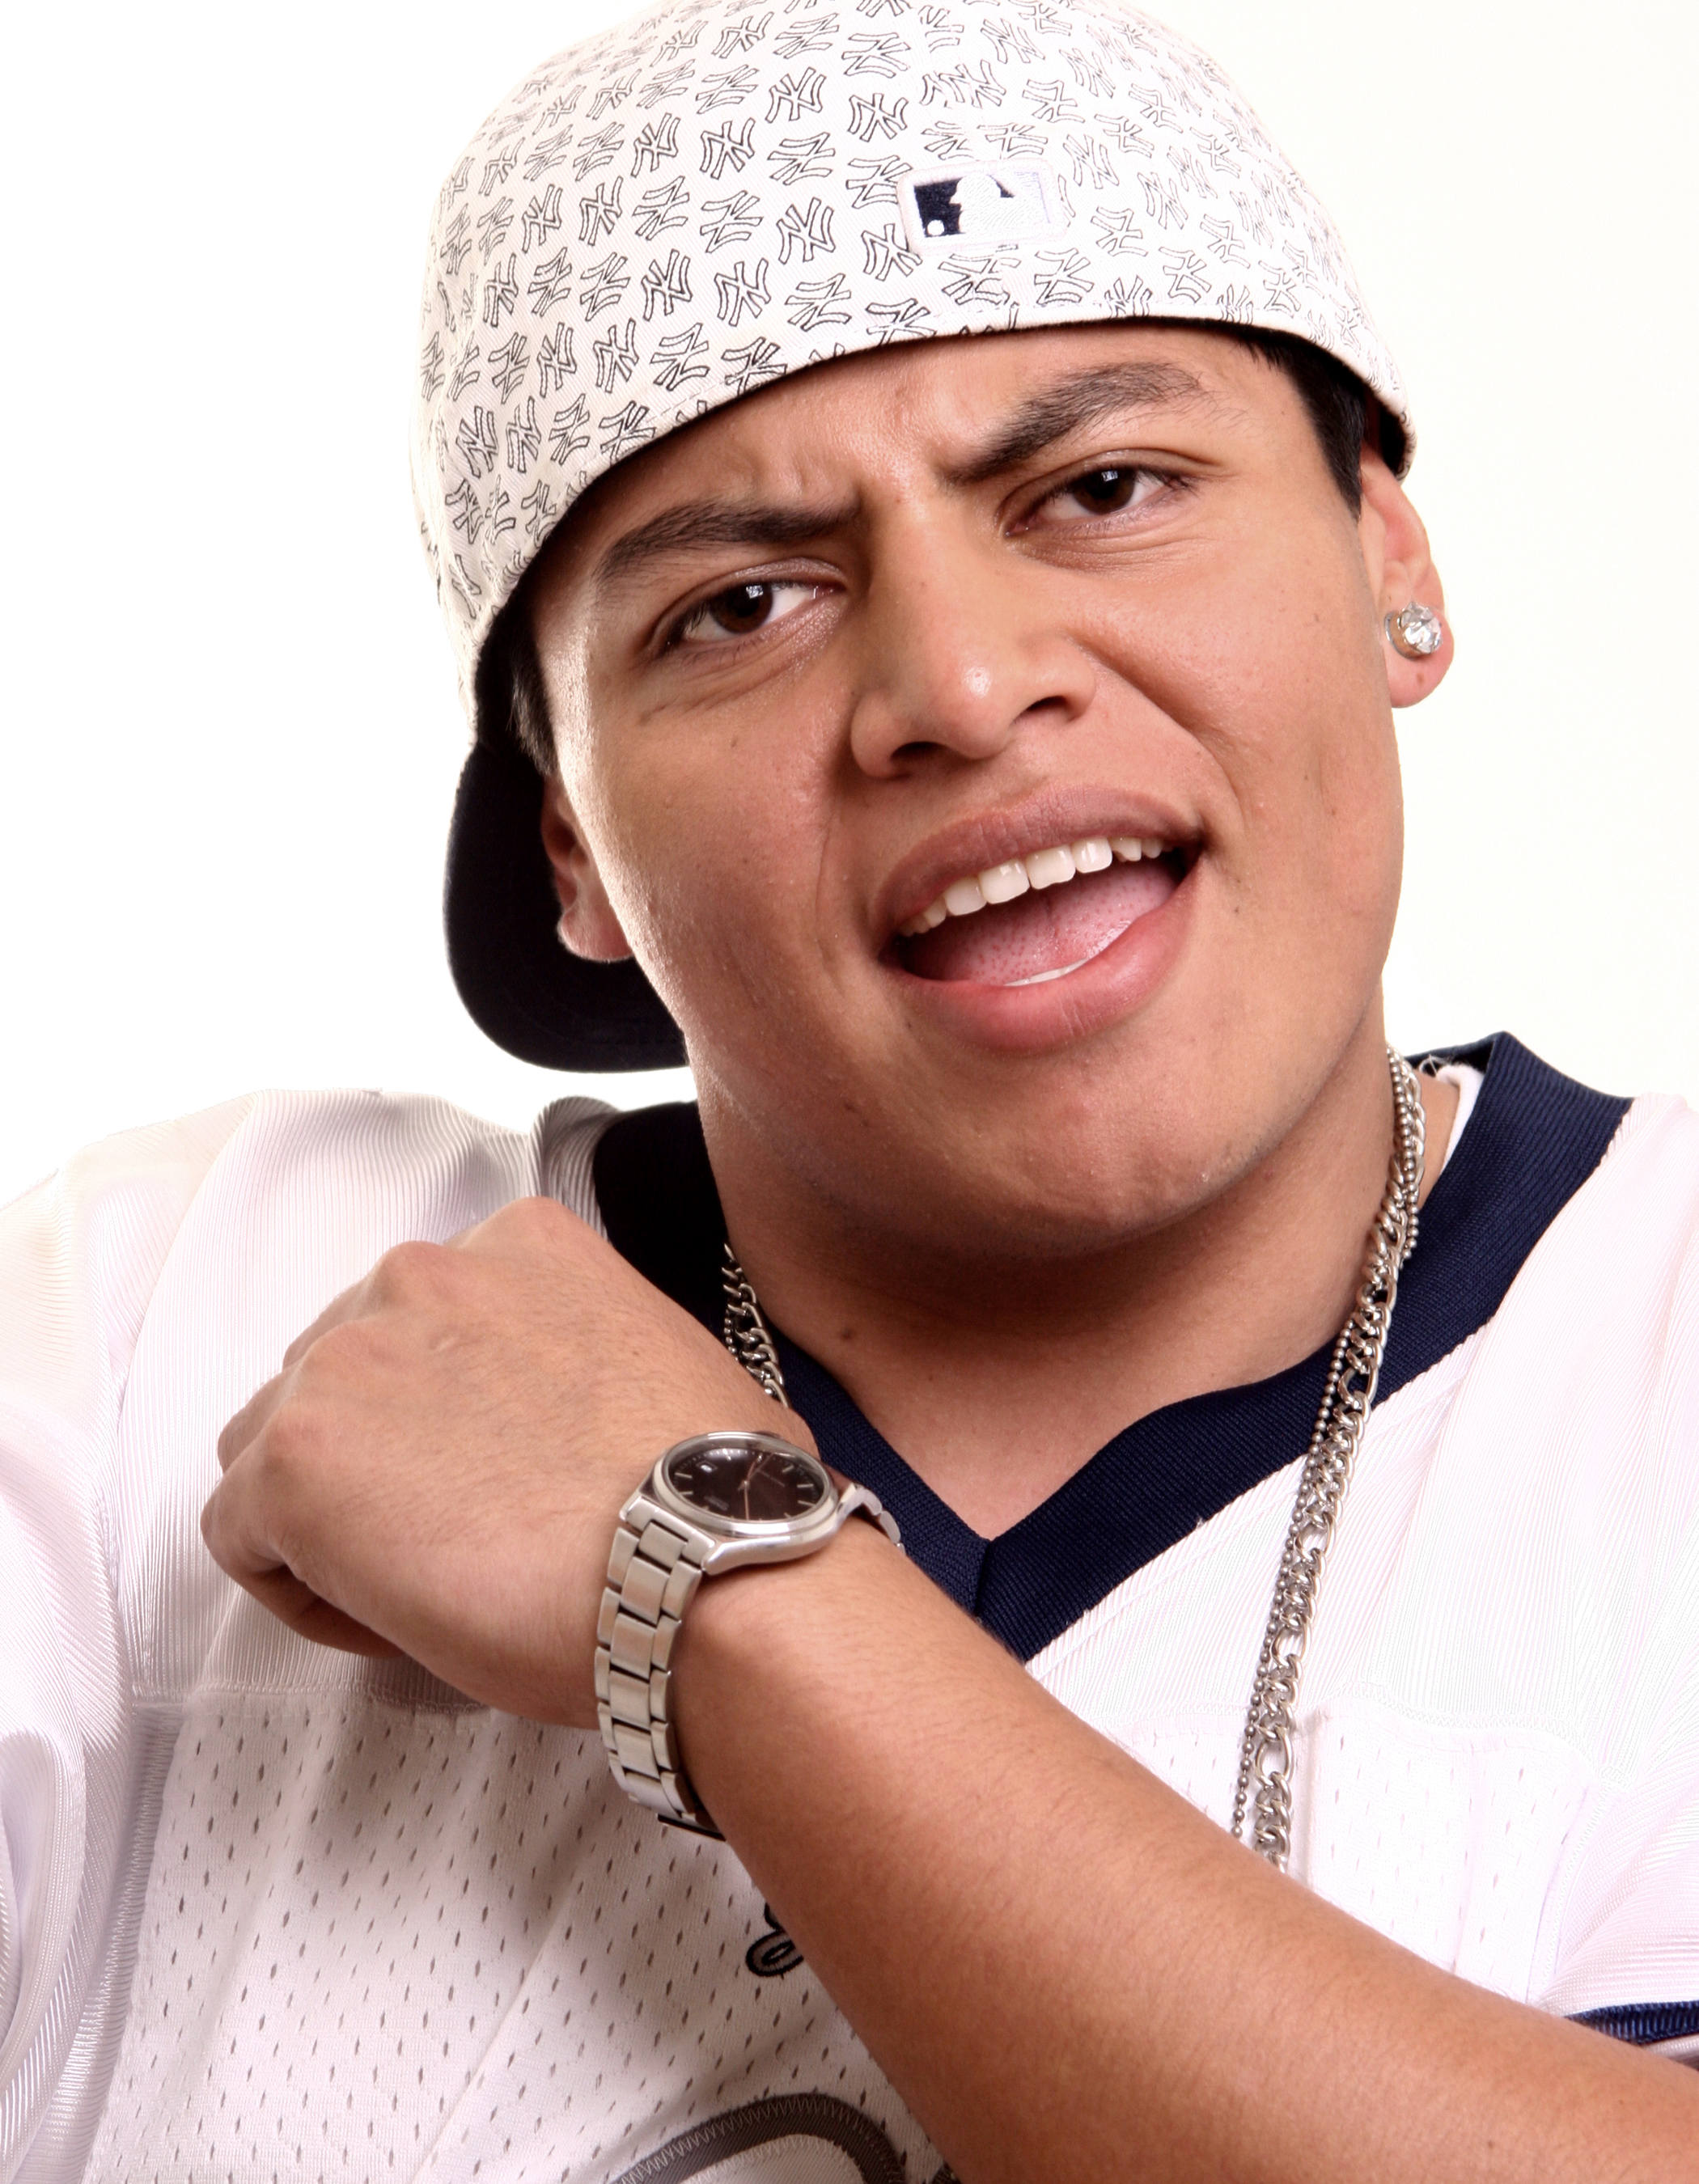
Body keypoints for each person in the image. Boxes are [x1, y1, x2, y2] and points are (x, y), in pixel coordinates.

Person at [2, 2, 1696, 2177]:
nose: (960, 685)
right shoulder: (179, 1328)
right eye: (742, 604)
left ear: (1393, 561)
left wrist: (706, 1578)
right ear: (567, 841)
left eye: (1101, 489)